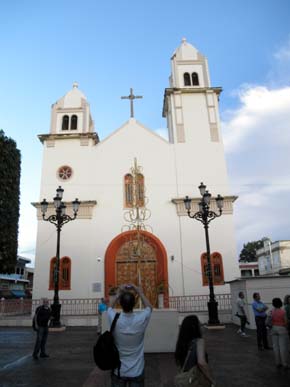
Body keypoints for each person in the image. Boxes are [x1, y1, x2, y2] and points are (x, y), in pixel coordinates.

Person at [107, 284, 152, 386]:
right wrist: (139, 292)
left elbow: (109, 307)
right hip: (137, 370)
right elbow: (149, 307)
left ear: (120, 304)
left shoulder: (114, 319)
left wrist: (118, 293)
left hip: (118, 370)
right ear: (134, 304)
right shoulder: (140, 319)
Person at [174, 315, 213, 382]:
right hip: (196, 379)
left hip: (185, 379)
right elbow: (201, 363)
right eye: (199, 324)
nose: (201, 325)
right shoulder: (199, 342)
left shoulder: (181, 343)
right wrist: (211, 379)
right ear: (194, 328)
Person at [269, 297, 289, 370]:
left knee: (276, 347)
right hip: (282, 329)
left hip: (274, 328)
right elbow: (286, 322)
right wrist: (286, 327)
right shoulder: (283, 312)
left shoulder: (271, 311)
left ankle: (278, 363)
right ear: (280, 303)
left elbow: (269, 321)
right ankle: (285, 364)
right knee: (283, 347)